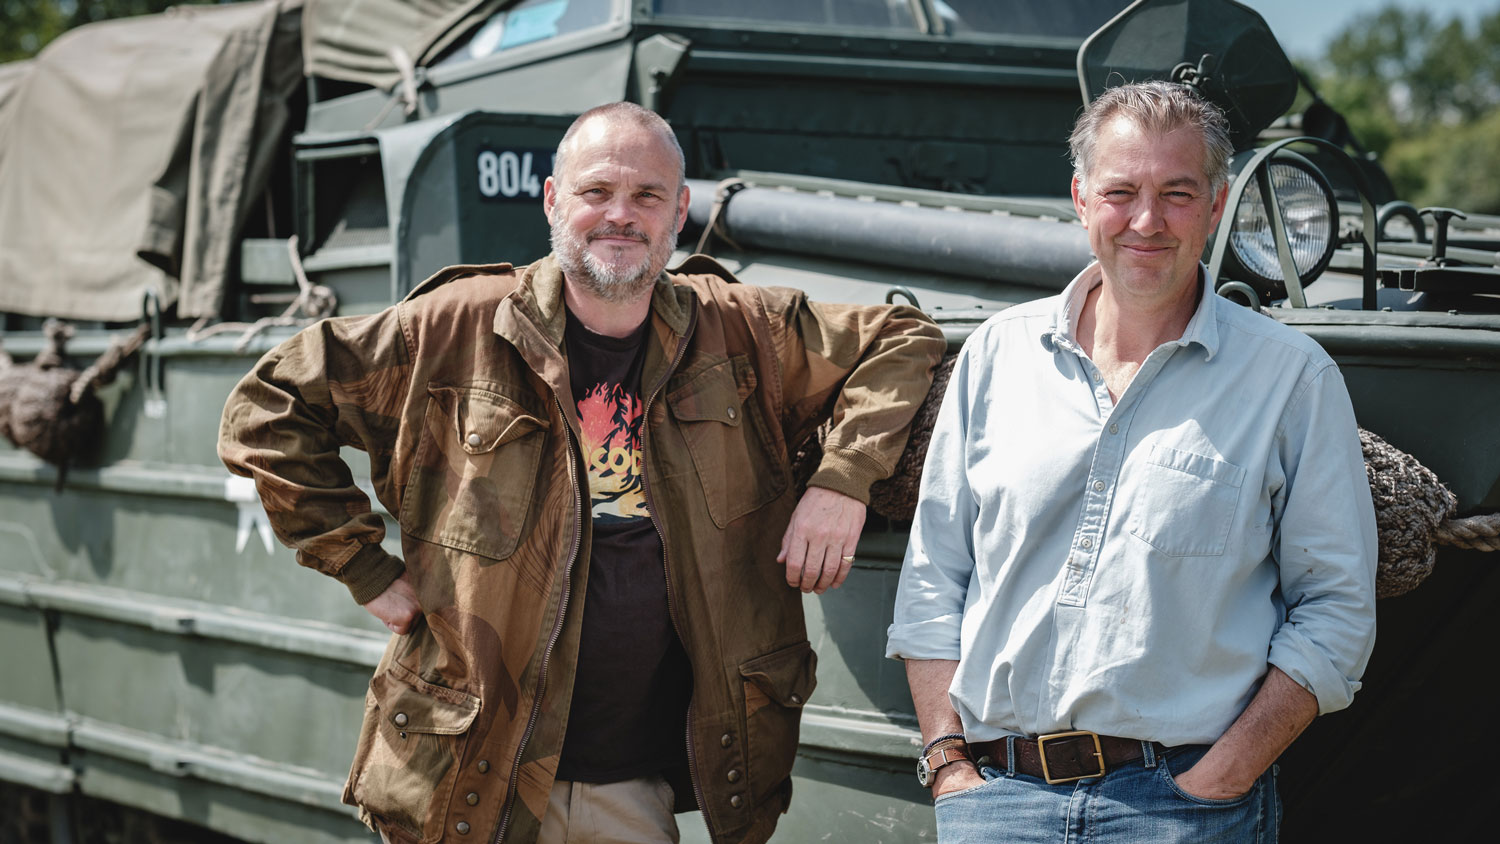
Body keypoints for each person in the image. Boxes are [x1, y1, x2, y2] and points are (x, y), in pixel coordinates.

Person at [219, 101, 944, 844]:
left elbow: (901, 339)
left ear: (680, 210)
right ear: (553, 199)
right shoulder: (454, 329)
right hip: (470, 777)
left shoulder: (738, 329)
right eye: (597, 191)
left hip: (629, 786)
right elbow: (268, 406)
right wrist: (364, 567)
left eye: (647, 196)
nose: (620, 216)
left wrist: (841, 480)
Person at [886, 80, 1377, 843]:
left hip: (1183, 805)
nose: (1147, 221)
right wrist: (950, 765)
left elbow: (1337, 609)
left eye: (1178, 194)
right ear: (1081, 199)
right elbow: (933, 578)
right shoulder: (994, 357)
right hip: (999, 802)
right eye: (1121, 191)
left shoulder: (1289, 380)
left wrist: (1226, 775)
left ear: (1216, 208)